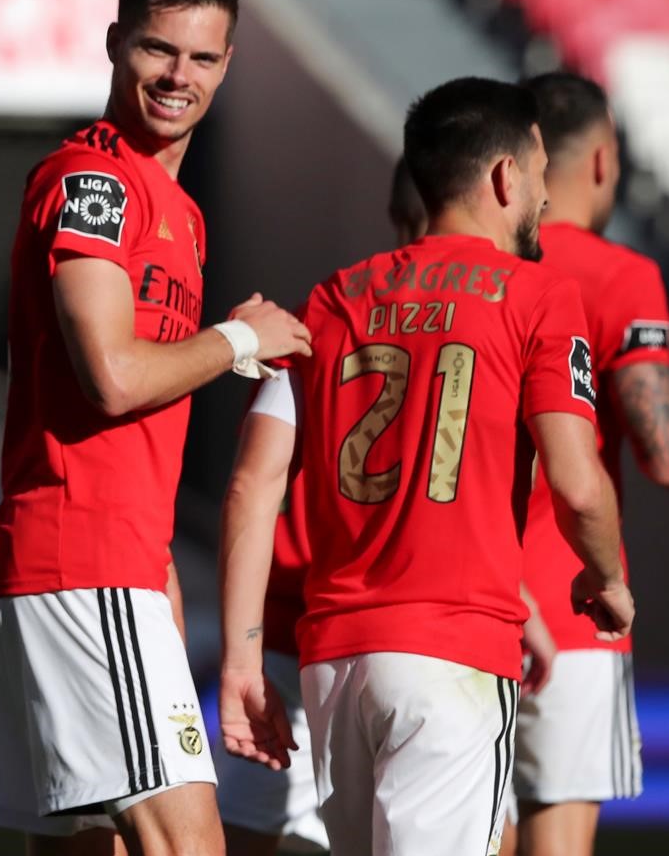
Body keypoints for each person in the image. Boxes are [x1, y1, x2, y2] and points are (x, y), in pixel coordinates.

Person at [219, 77, 635, 856]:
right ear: (505, 177)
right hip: (452, 652)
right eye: (539, 174)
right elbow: (578, 484)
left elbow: (251, 482)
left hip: (334, 656)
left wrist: (241, 652)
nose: (545, 196)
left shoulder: (331, 298)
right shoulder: (538, 296)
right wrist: (605, 574)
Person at [0, 0, 312, 856]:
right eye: (158, 49)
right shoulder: (91, 180)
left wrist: (158, 570)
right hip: (79, 561)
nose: (178, 76)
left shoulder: (181, 211)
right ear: (114, 42)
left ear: (228, 64)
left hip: (105, 562)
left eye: (202, 57)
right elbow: (114, 377)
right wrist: (239, 341)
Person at [214, 157, 428, 856]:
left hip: (296, 635)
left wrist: (237, 654)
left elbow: (252, 480)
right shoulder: (495, 325)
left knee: (241, 836)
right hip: (424, 639)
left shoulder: (321, 319)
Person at [504, 72, 669, 856]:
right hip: (575, 610)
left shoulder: (480, 270)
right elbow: (658, 451)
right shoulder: (621, 275)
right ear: (600, 161)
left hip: (468, 604)